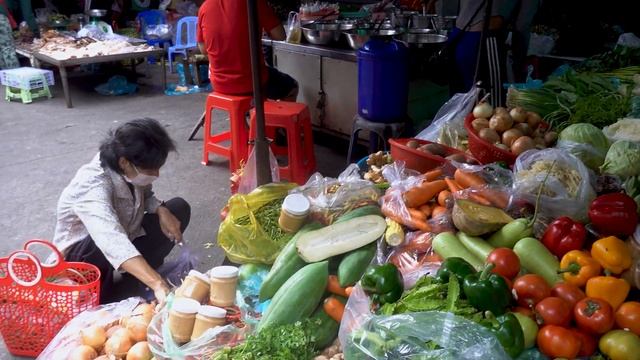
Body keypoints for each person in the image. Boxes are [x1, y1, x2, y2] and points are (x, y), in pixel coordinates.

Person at [53, 118, 190, 304]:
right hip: (86, 257)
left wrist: (161, 209)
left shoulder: (127, 169)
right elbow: (111, 240)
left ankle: (136, 278)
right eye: (151, 169)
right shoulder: (92, 184)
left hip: (125, 233)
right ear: (124, 162)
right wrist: (157, 283)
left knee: (178, 208)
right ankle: (105, 293)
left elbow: (146, 194)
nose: (156, 175)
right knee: (100, 242)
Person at [196, 0, 298, 101]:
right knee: (292, 86)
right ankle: (273, 116)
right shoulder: (253, 3)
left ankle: (248, 113)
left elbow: (203, 49)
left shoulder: (204, 7)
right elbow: (280, 36)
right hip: (252, 82)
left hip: (219, 84)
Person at [450, 0, 515, 106]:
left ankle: (460, 120)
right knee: (489, 96)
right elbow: (499, 19)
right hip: (481, 37)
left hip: (460, 34)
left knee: (462, 94)